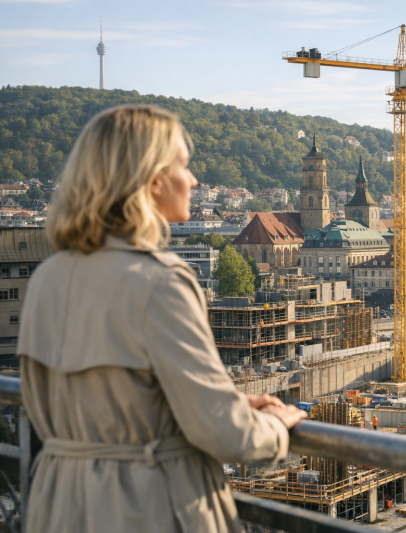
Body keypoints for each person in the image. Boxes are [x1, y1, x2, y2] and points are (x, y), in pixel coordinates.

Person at [19, 105, 307, 533]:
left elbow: (102, 407)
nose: (193, 181)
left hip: (59, 503)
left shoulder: (47, 278)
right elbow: (229, 437)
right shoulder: (160, 281)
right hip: (143, 506)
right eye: (184, 166)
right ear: (153, 181)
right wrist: (274, 427)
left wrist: (208, 405)